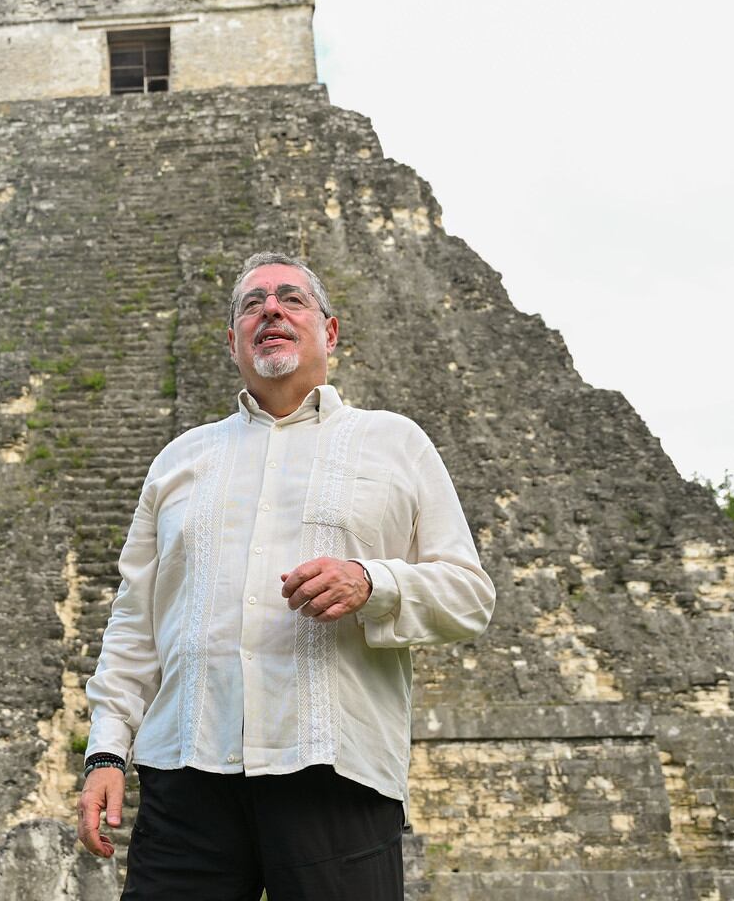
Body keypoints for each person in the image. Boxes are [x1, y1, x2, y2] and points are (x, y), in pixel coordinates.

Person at [76, 252, 495, 900]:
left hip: (335, 771)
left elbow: (469, 596)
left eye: (291, 299)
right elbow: (136, 621)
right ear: (233, 341)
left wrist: (372, 583)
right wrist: (106, 751)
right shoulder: (179, 461)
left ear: (330, 331)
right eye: (253, 304)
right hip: (186, 776)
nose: (270, 309)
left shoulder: (396, 443)